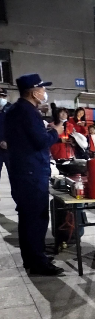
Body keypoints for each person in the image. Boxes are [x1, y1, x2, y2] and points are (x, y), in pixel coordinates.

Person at [4, 74, 64, 275]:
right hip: (32, 172)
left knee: (27, 217)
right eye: (42, 89)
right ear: (33, 92)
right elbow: (41, 142)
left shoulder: (15, 110)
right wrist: (55, 131)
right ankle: (38, 262)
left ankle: (32, 258)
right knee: (36, 217)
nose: (44, 92)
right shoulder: (28, 112)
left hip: (22, 170)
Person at [0, 88, 10, 183]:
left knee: (15, 175)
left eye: (3, 96)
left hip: (10, 148)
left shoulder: (12, 110)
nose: (1, 98)